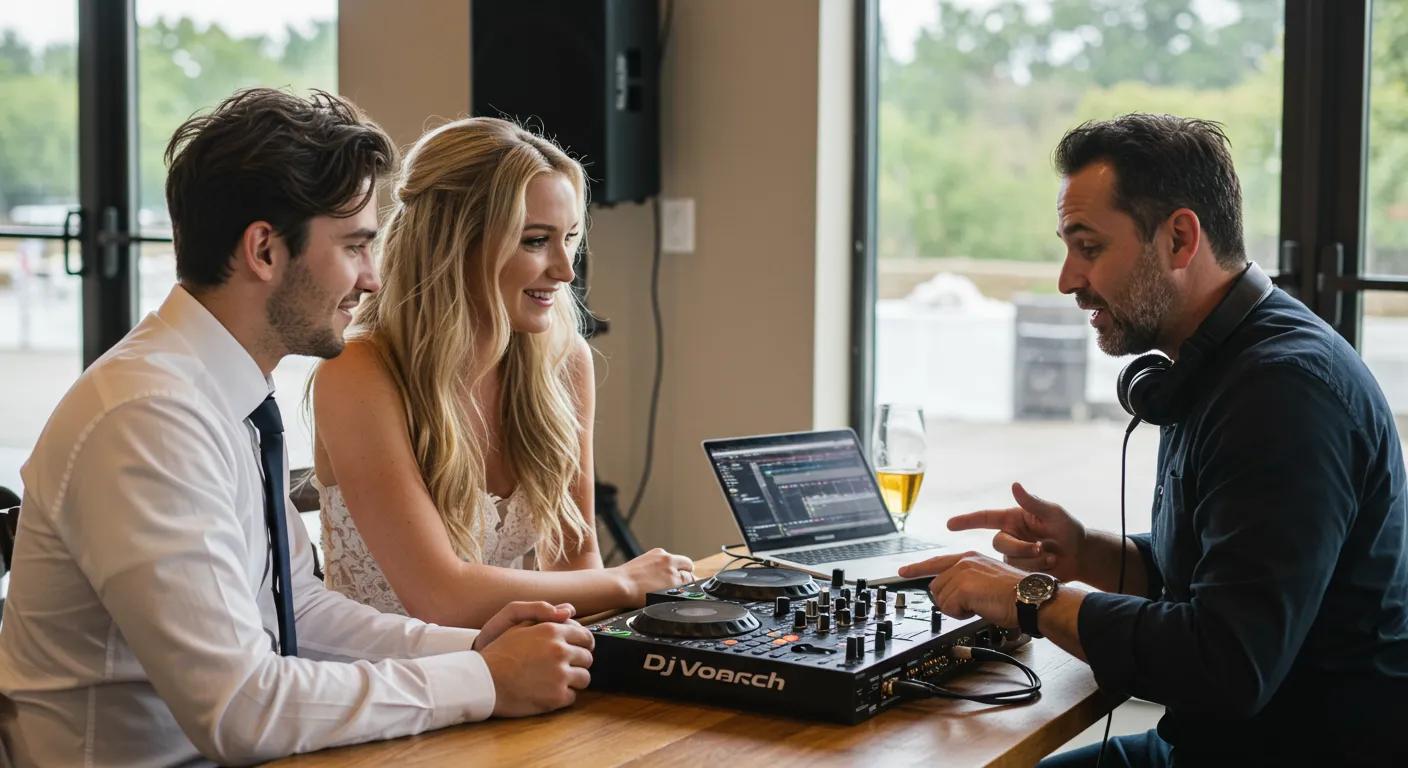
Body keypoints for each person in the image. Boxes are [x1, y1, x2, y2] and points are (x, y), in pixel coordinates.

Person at [0, 89, 594, 767]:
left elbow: (297, 614)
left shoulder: (221, 391)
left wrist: (483, 648)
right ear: (263, 251)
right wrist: (483, 680)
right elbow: (241, 711)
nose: (373, 280)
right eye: (354, 247)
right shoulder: (147, 416)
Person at [900, 114, 1408, 767]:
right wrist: (1084, 551)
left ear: (1179, 238)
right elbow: (1220, 571)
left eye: (1088, 247)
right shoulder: (1218, 363)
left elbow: (1226, 666)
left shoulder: (1280, 393)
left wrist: (1028, 598)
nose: (1067, 278)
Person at [310, 116, 694, 627]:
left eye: (570, 238)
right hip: (387, 687)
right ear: (451, 243)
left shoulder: (562, 361)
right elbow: (439, 595)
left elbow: (575, 557)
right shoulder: (358, 371)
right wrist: (627, 581)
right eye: (535, 240)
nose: (565, 269)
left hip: (513, 675)